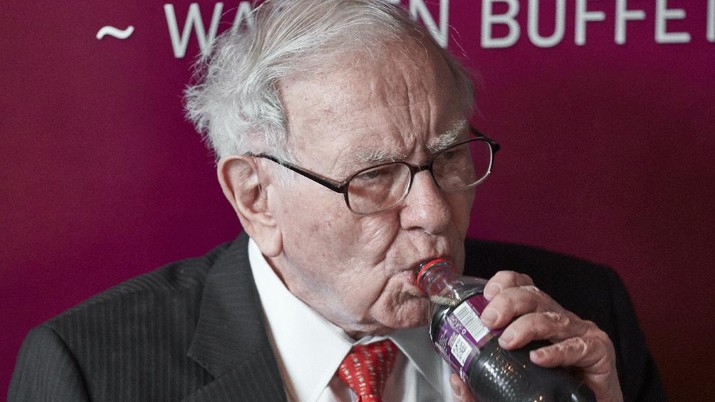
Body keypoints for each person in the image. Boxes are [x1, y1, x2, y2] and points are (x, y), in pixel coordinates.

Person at [9, 0, 665, 401]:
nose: (434, 214)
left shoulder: (579, 313)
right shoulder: (90, 370)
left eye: (445, 157)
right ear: (256, 195)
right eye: (374, 176)